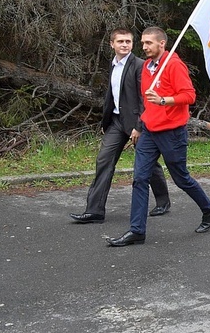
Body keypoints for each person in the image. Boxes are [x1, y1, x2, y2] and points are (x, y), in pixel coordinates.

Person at [106, 27, 210, 247]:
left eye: (149, 43)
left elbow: (189, 96)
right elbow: (146, 102)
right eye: (143, 43)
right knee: (139, 178)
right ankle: (137, 230)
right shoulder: (147, 66)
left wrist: (164, 100)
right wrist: (140, 126)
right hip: (149, 130)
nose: (144, 47)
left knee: (181, 178)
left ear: (162, 44)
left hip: (172, 132)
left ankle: (208, 208)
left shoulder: (174, 65)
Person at [70, 28, 171, 224]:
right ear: (112, 44)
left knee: (148, 163)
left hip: (137, 122)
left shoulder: (140, 66)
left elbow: (145, 99)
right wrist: (105, 122)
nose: (125, 45)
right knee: (104, 160)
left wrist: (140, 126)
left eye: (128, 41)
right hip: (116, 122)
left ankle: (163, 201)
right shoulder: (113, 65)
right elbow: (112, 95)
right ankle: (95, 211)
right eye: (120, 41)